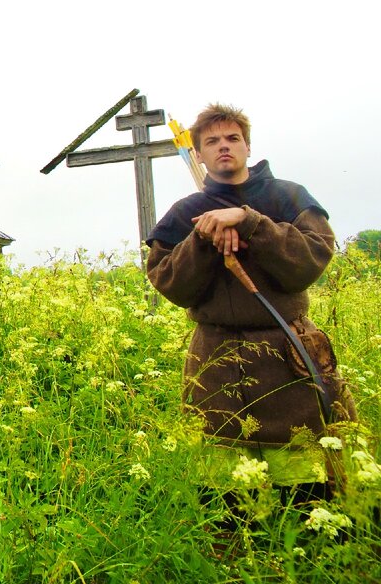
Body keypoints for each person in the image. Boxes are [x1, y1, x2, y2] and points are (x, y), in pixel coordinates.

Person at [146, 103, 354, 505]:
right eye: (212, 141)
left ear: (247, 145)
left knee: (307, 489)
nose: (224, 147)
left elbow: (310, 262)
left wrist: (250, 221)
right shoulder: (186, 214)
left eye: (232, 138)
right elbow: (171, 284)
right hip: (216, 357)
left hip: (287, 355)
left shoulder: (289, 196)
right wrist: (202, 240)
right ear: (198, 154)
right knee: (225, 495)